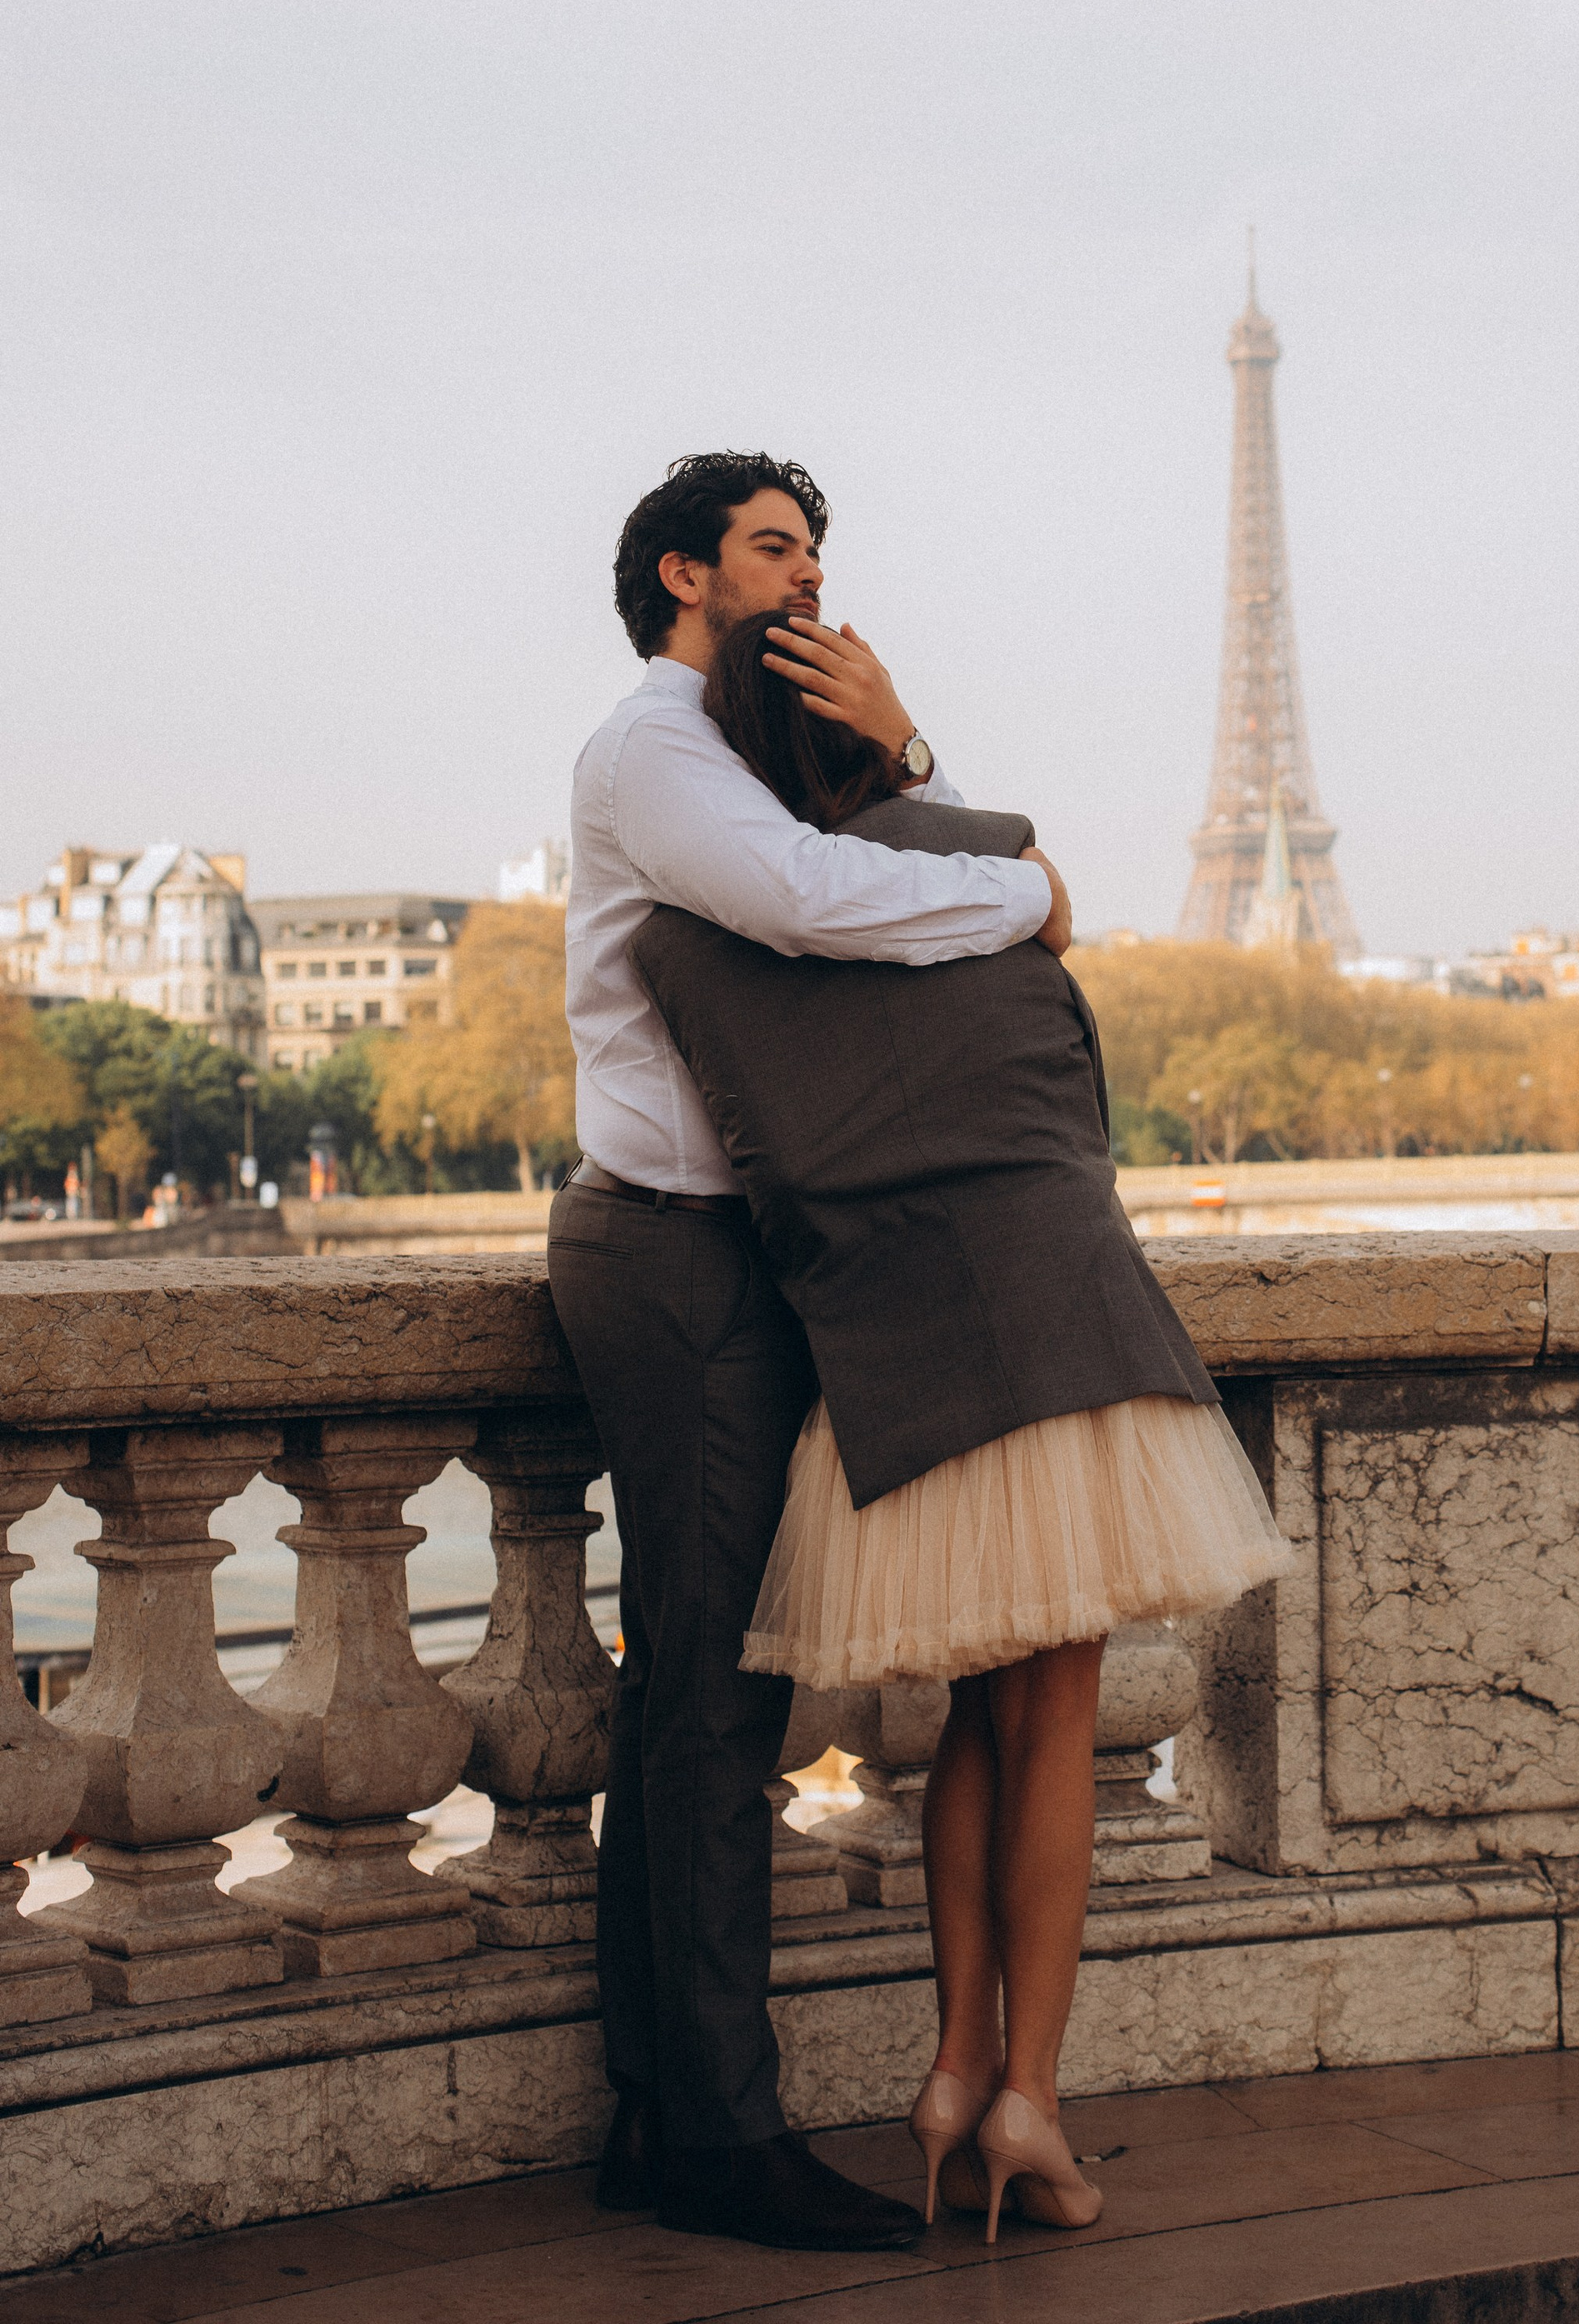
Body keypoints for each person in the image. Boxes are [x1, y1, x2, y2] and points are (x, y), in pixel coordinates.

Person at [630, 607, 1292, 2245]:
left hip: (894, 1364)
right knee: (1050, 1721)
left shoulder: (701, 950)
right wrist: (917, 757)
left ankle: (945, 2073)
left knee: (968, 1739)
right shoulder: (1000, 905)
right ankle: (1025, 2103)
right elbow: (1070, 1105)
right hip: (1060, 1335)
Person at [548, 452, 1069, 2254]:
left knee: (703, 1693)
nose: (809, 577)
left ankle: (663, 2113)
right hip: (678, 1256)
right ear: (685, 572)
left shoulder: (741, 748)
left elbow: (856, 852)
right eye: (773, 548)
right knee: (708, 1701)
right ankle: (712, 2130)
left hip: (739, 1254)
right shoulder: (654, 753)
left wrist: (915, 760)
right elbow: (810, 903)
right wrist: (1027, 895)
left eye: (819, 548)